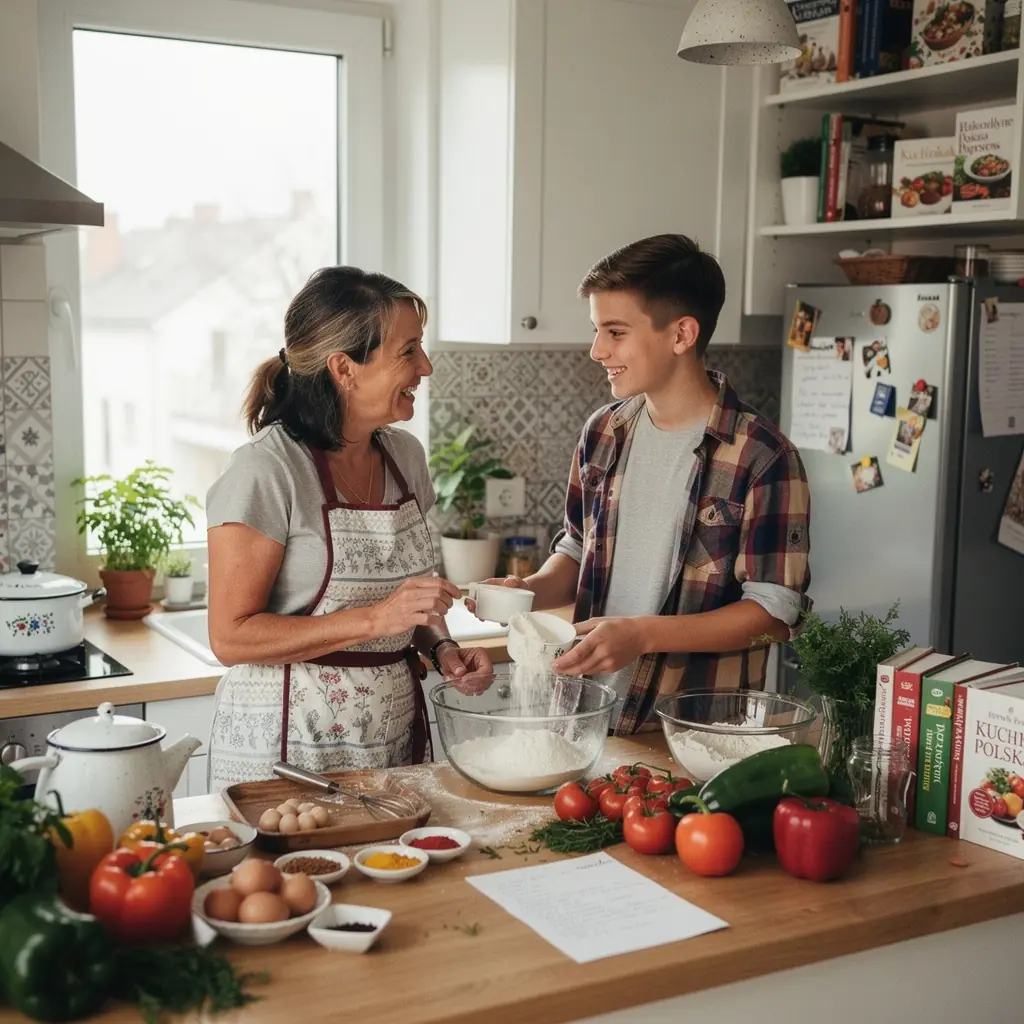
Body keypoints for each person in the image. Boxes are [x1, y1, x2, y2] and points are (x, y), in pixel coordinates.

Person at [474, 234, 811, 732]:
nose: (595, 350)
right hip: (584, 716)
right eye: (597, 330)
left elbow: (774, 615)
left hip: (691, 731)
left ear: (681, 335)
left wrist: (643, 635)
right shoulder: (603, 431)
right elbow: (576, 548)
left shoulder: (762, 455)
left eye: (615, 332)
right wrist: (528, 590)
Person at [206, 267, 491, 789]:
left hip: (389, 738)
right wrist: (373, 619)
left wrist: (443, 649)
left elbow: (411, 601)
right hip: (288, 746)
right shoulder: (266, 470)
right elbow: (230, 637)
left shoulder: (406, 457)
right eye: (408, 351)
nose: (425, 367)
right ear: (345, 369)